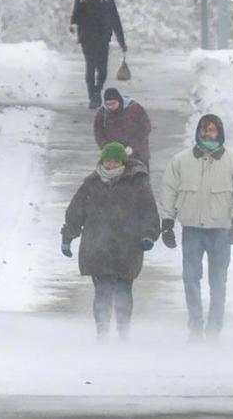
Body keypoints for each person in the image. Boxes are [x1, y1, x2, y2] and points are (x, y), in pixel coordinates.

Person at [159, 114, 233, 342]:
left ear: (219, 133)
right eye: (203, 129)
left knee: (218, 281)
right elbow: (169, 191)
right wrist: (167, 223)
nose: (207, 134)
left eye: (212, 130)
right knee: (190, 278)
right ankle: (196, 326)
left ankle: (214, 329)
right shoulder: (180, 161)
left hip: (220, 231)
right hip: (192, 230)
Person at [61, 142, 160, 341]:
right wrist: (68, 236)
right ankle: (102, 332)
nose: (110, 164)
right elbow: (75, 212)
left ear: (123, 162)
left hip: (127, 247)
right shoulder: (91, 184)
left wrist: (149, 235)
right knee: (102, 291)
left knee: (124, 290)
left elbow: (149, 212)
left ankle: (123, 331)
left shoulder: (137, 183)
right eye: (107, 160)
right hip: (97, 247)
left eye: (115, 161)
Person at [70, 0, 127, 109]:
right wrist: (72, 27)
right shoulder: (81, 1)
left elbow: (116, 21)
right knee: (90, 69)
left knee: (102, 71)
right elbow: (74, 18)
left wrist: (122, 42)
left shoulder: (107, 1)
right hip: (87, 41)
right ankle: (93, 97)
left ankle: (98, 89)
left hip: (103, 41)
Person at [94, 87, 151, 168]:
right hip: (114, 155)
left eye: (113, 103)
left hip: (137, 152)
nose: (110, 107)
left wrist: (133, 146)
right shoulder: (102, 113)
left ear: (119, 100)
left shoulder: (135, 108)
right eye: (107, 104)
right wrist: (105, 146)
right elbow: (98, 132)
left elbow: (145, 128)